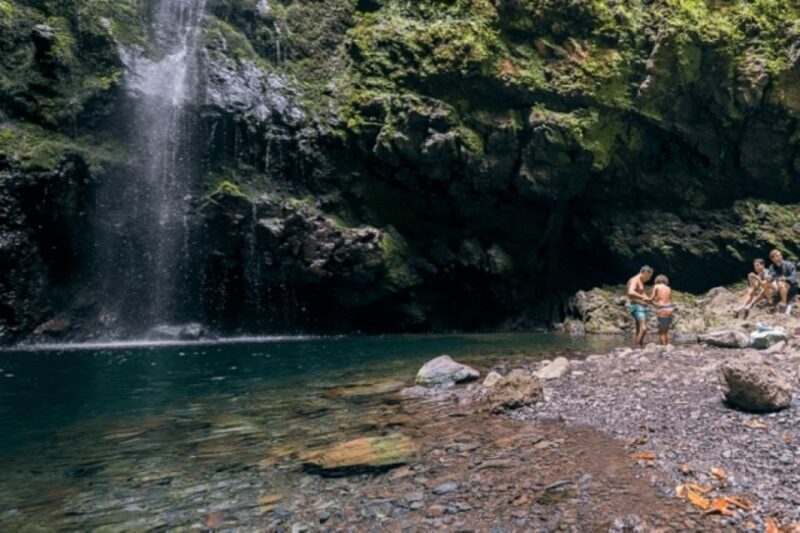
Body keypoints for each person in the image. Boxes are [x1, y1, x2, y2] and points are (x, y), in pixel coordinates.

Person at [627, 265, 653, 347]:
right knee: (644, 328)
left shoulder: (640, 281)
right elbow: (630, 292)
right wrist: (643, 297)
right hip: (636, 306)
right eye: (648, 276)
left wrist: (649, 300)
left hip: (640, 306)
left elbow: (642, 293)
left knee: (639, 329)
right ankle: (638, 347)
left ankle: (638, 347)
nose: (648, 279)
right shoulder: (634, 280)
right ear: (644, 273)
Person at [768, 249, 798, 314]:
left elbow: (794, 277)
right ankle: (770, 302)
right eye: (777, 256)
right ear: (772, 259)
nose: (779, 257)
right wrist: (769, 278)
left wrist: (786, 278)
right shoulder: (771, 267)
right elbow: (771, 276)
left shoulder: (789, 265)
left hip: (791, 286)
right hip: (778, 287)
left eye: (780, 255)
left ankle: (784, 303)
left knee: (782, 284)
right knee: (767, 284)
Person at [652, 274, 675, 346]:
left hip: (662, 309)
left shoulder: (656, 286)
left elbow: (651, 298)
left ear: (657, 280)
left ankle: (663, 349)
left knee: (661, 333)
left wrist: (648, 300)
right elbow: (669, 300)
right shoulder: (668, 288)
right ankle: (667, 348)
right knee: (666, 332)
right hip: (670, 309)